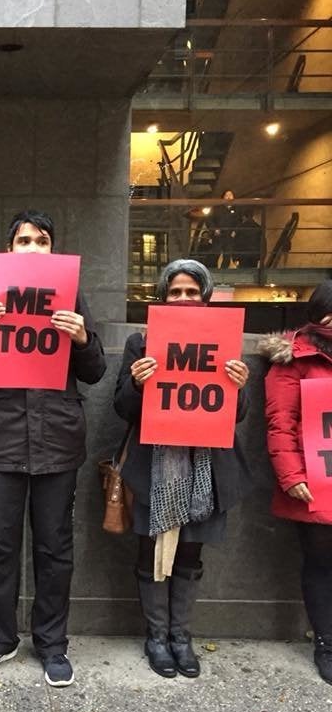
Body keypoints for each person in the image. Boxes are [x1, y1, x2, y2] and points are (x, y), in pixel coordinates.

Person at [0, 210, 106, 687]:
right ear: (9, 248)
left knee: (55, 549)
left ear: (53, 249)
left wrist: (82, 337)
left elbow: (96, 371)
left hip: (57, 442)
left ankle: (52, 644)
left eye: (42, 240)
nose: (33, 247)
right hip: (1, 440)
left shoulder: (71, 298)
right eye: (24, 240)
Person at [114, 259, 249, 678]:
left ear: (205, 298)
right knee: (152, 553)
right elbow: (122, 408)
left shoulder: (223, 342)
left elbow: (237, 415)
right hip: (154, 466)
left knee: (190, 554)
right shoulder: (142, 343)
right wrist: (138, 383)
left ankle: (180, 637)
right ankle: (156, 638)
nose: (185, 299)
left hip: (205, 469)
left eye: (193, 292)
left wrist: (239, 387)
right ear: (163, 298)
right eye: (176, 292)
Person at [261, 280, 332, 684]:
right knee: (321, 563)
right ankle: (327, 642)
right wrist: (291, 475)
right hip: (315, 479)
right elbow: (280, 422)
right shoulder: (294, 359)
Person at [210, 189, 238, 269]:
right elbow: (209, 219)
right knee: (215, 254)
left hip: (229, 235)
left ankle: (223, 273)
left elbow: (239, 221)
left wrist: (235, 231)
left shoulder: (236, 209)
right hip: (218, 235)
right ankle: (213, 271)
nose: (229, 197)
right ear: (223, 198)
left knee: (227, 256)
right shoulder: (216, 208)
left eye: (231, 195)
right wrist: (214, 229)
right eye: (227, 195)